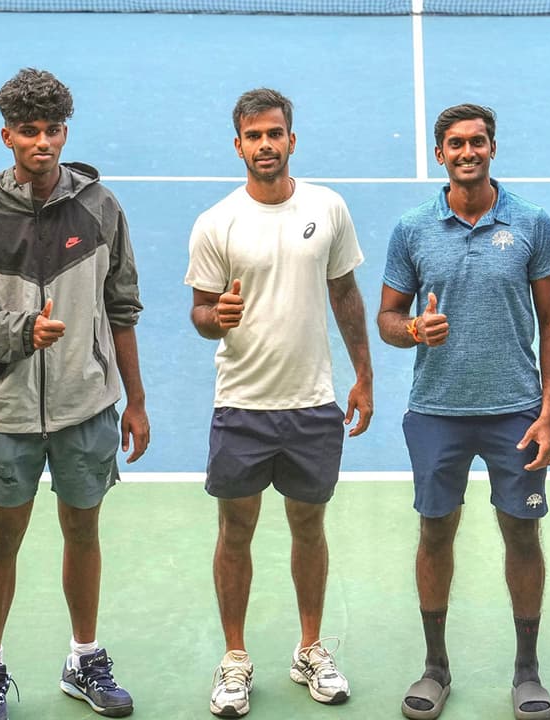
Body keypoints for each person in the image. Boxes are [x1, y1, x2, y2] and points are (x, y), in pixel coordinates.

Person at [0, 68, 149, 720]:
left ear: (65, 132)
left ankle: (84, 657)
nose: (43, 143)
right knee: (3, 537)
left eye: (53, 130)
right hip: (10, 411)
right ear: (7, 136)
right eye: (29, 131)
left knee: (83, 531)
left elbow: (122, 309)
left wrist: (136, 401)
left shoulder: (101, 208)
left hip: (88, 403)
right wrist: (20, 333)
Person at [185, 87, 373, 718]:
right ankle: (235, 659)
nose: (265, 145)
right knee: (235, 531)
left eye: (274, 133)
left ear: (292, 139)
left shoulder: (328, 207)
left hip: (313, 403)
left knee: (308, 527)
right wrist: (216, 317)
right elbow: (200, 313)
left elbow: (345, 293)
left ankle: (310, 648)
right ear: (238, 145)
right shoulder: (216, 222)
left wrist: (364, 376)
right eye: (253, 136)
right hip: (241, 404)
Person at [379, 103, 550, 720]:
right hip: (436, 411)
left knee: (522, 534)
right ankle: (435, 667)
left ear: (492, 148)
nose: (467, 152)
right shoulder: (412, 229)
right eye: (456, 144)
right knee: (435, 531)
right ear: (440, 154)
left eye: (477, 142)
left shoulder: (532, 223)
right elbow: (387, 318)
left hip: (517, 411)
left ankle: (527, 671)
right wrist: (413, 329)